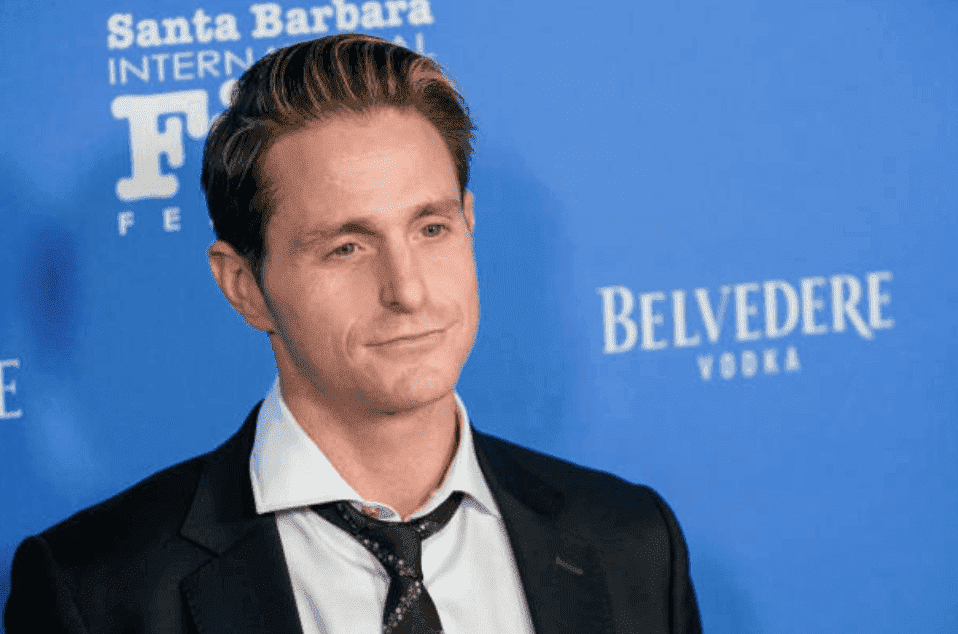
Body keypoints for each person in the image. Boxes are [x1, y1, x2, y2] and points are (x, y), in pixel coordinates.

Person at [4, 34, 702, 633]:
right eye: (347, 247)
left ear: (469, 224)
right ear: (245, 286)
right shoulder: (97, 591)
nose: (408, 289)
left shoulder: (630, 541)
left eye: (431, 228)